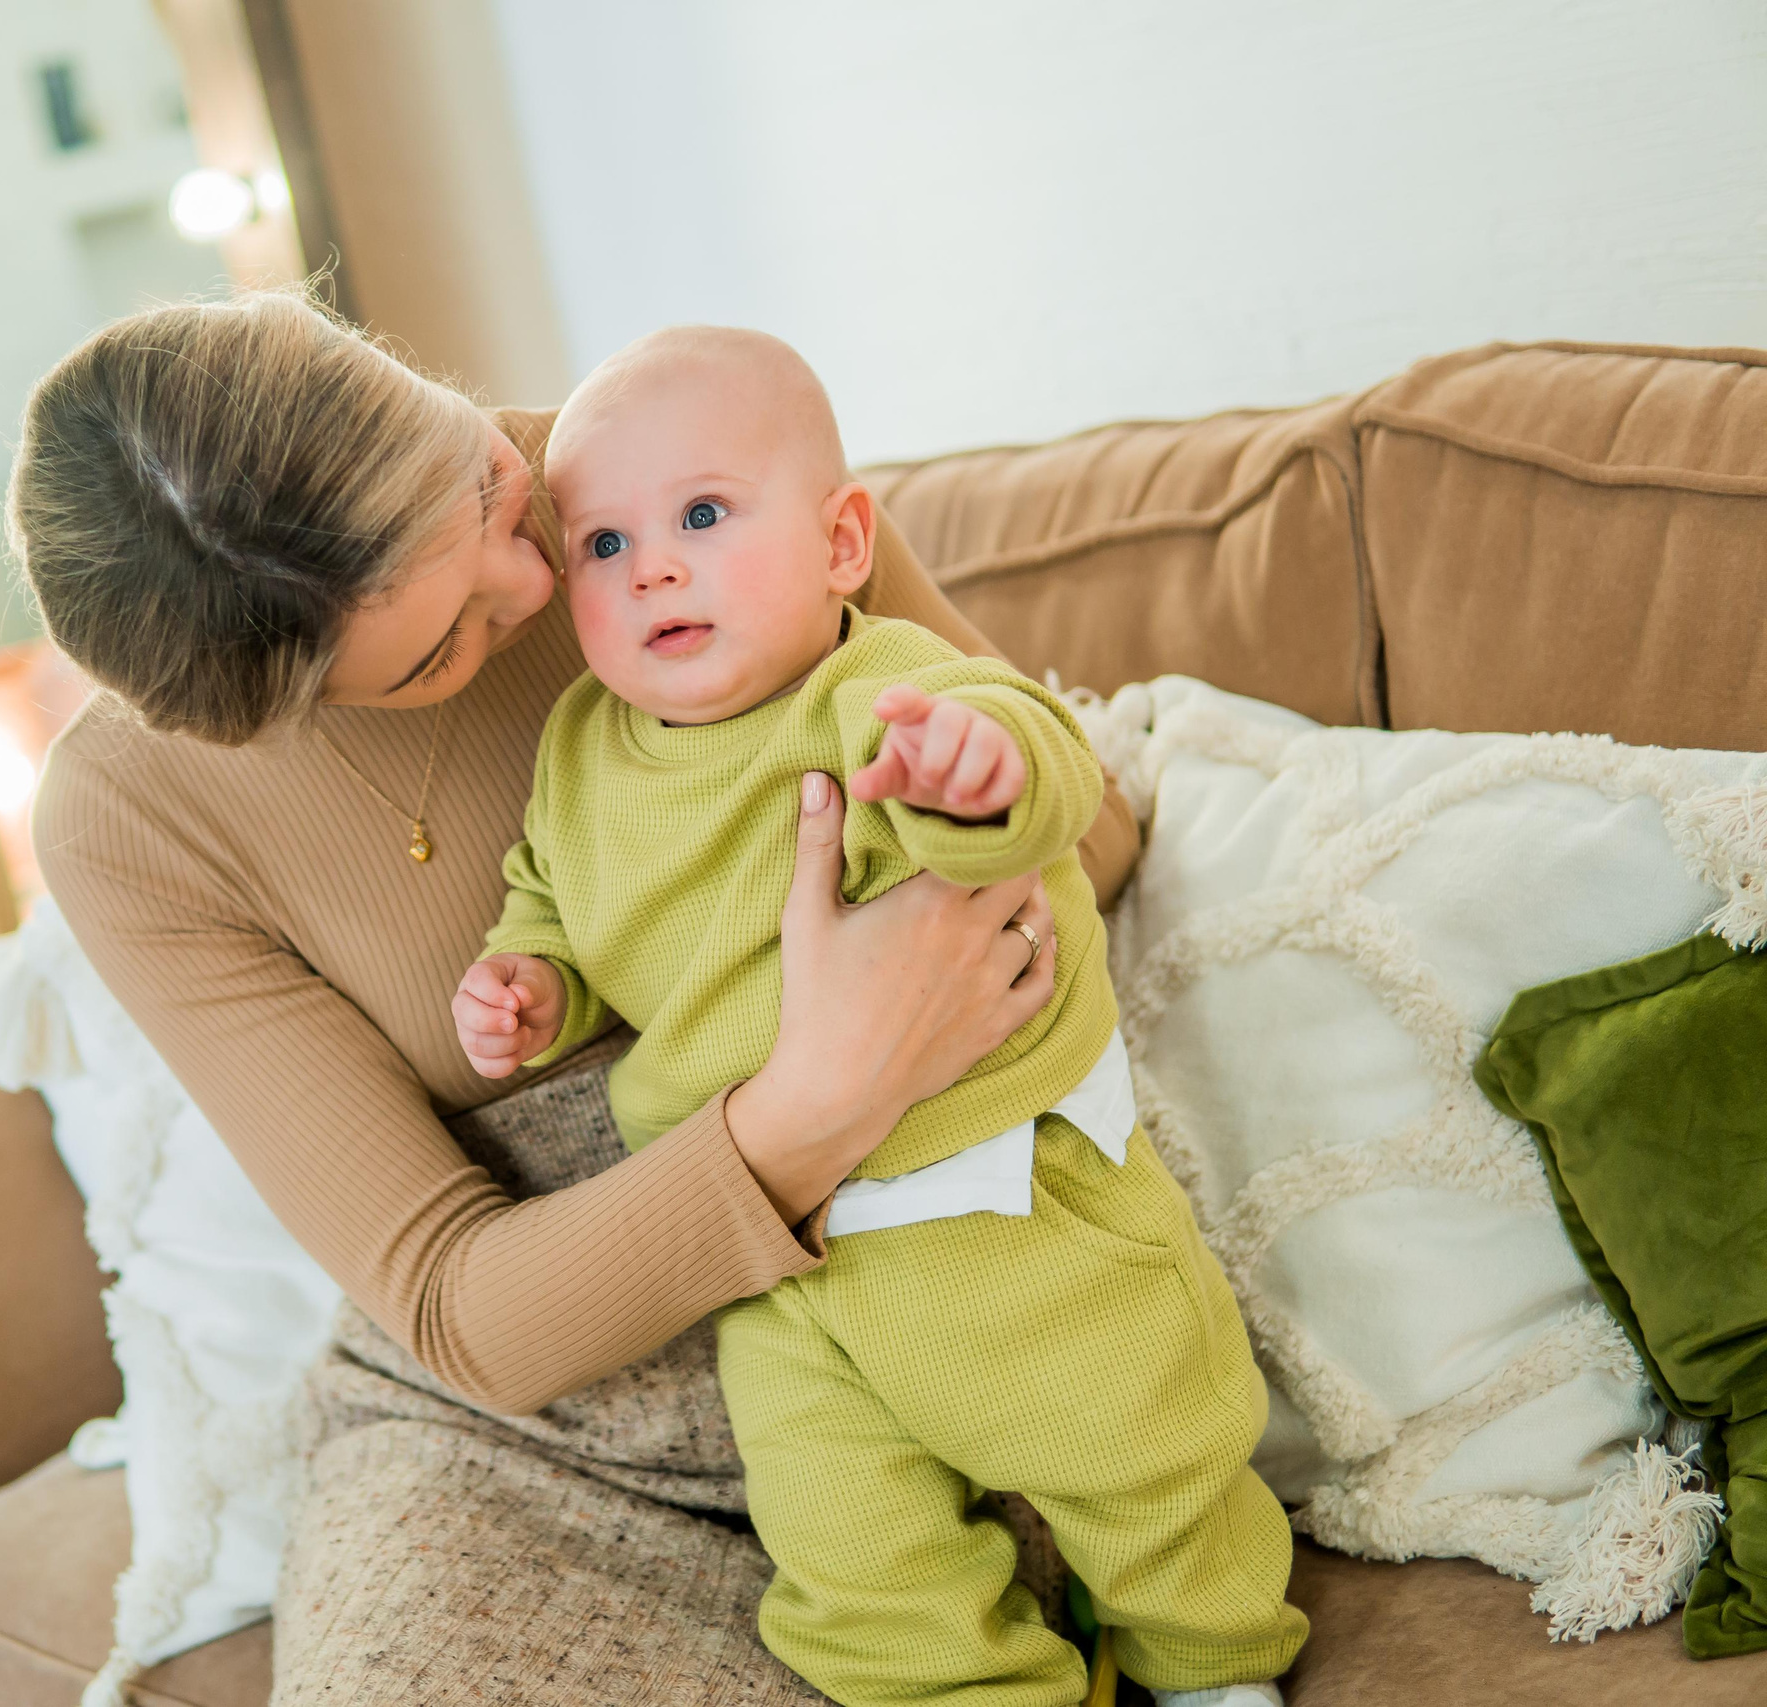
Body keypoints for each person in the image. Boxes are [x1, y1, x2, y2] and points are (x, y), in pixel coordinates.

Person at [13, 289, 1139, 1704]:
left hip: (911, 1265)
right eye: (435, 655)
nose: (549, 582)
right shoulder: (128, 823)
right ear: (277, 716)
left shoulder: (668, 471)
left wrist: (968, 803)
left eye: (484, 482)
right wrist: (822, 1095)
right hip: (540, 1404)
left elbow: (1090, 833)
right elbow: (458, 1308)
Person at [452, 327, 1305, 1707]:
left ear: (844, 543)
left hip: (1001, 1206)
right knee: (852, 1565)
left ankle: (1214, 1665)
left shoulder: (882, 689)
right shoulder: (577, 754)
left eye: (705, 516)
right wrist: (529, 986)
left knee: (1143, 1456)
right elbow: (548, 897)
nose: (652, 566)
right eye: (602, 545)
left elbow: (1039, 768)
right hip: (777, 1262)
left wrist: (975, 778)